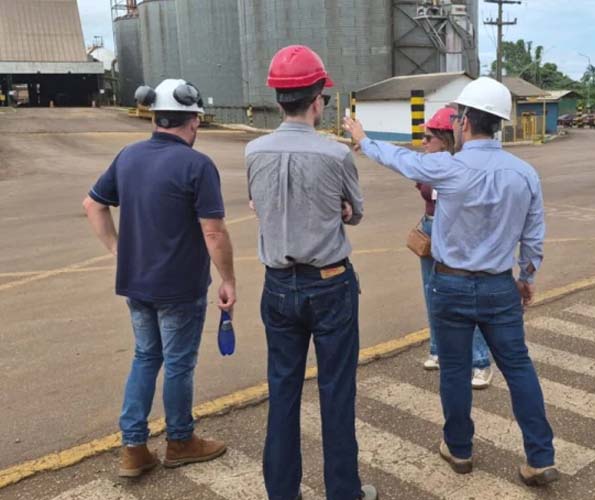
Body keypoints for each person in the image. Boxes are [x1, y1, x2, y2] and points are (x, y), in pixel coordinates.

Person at [344, 76, 560, 486]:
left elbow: (399, 160)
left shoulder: (448, 167)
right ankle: (540, 455)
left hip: (450, 284)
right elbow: (533, 237)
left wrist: (362, 138)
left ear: (463, 122)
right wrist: (526, 277)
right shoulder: (524, 173)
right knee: (518, 368)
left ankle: (460, 449)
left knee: (455, 370)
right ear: (500, 124)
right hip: (500, 285)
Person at [82, 78, 235, 478]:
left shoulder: (128, 156)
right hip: (180, 287)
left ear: (154, 115)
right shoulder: (197, 165)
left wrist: (119, 252)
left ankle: (134, 448)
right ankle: (180, 441)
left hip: (136, 283)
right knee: (179, 364)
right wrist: (229, 280)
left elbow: (93, 205)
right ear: (194, 120)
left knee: (145, 357)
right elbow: (214, 232)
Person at [246, 45, 376, 500]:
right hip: (329, 284)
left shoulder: (253, 151)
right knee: (336, 394)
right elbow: (355, 213)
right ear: (318, 98)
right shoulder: (335, 155)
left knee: (283, 393)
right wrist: (337, 209)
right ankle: (344, 491)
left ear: (278, 98)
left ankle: (282, 492)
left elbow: (259, 205)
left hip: (278, 285)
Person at [417, 106, 494, 389]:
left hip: (458, 234)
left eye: (429, 137)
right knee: (431, 292)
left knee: (466, 297)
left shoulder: (467, 165)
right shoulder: (428, 164)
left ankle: (480, 361)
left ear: (446, 138)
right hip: (430, 228)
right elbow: (424, 191)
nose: (423, 142)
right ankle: (437, 349)